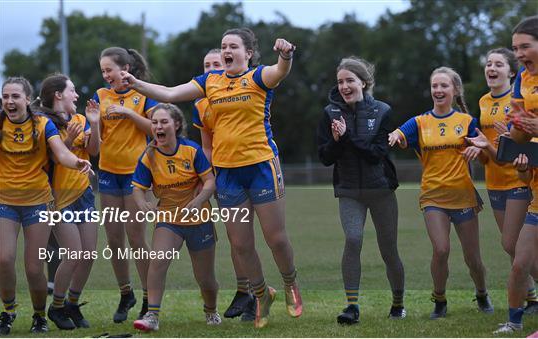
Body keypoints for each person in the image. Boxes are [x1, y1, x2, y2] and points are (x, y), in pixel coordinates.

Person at [120, 27, 302, 328]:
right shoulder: (210, 82)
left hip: (261, 167)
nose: (226, 50)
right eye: (223, 45)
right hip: (227, 173)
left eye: (232, 46)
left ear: (247, 52)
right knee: (241, 244)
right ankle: (261, 296)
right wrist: (136, 83)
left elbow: (281, 70)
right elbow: (169, 93)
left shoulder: (258, 77)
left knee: (275, 238)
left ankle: (290, 283)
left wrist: (285, 54)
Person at [388, 67, 493, 319]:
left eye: (443, 86)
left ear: (455, 90)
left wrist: (478, 151)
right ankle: (440, 299)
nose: (438, 90)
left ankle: (481, 292)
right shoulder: (420, 122)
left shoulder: (467, 122)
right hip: (433, 197)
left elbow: (485, 154)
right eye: (434, 85)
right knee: (441, 250)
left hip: (463, 196)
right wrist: (394, 136)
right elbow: (399, 133)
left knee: (473, 258)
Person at [0, 77, 92, 335]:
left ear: (27, 100)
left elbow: (60, 153)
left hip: (37, 202)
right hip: (4, 200)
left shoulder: (42, 124)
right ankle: (8, 311)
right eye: (5, 96)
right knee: (3, 259)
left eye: (15, 96)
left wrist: (77, 163)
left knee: (33, 267)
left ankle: (40, 314)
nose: (9, 101)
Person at [317, 57, 405, 324]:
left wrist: (346, 138)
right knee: (353, 239)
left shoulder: (382, 111)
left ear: (363, 82)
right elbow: (325, 157)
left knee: (388, 249)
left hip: (381, 191)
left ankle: (398, 304)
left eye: (350, 80)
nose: (344, 86)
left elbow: (376, 154)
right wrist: (335, 142)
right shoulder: (330, 113)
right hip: (349, 191)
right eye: (340, 81)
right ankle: (352, 306)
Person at [132, 103, 220, 331]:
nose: (158, 127)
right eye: (154, 122)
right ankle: (152, 315)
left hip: (199, 219)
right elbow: (137, 188)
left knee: (205, 278)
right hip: (168, 219)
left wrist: (198, 202)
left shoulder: (192, 150)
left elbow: (210, 181)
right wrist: (142, 204)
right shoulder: (148, 156)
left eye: (163, 122)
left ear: (176, 125)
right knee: (158, 262)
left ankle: (211, 311)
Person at [467, 48, 538, 314]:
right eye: (488, 64)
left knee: (513, 244)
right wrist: (480, 151)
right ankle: (531, 298)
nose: (491, 68)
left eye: (498, 64)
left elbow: (524, 141)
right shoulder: (484, 101)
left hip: (519, 177)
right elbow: (490, 151)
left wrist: (506, 145)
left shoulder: (519, 99)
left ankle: (527, 301)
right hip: (494, 181)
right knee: (511, 246)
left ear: (511, 71)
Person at [94, 47, 158, 323]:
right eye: (103, 71)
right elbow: (95, 145)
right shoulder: (100, 96)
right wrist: (94, 123)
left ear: (125, 69)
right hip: (108, 173)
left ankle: (148, 298)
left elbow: (156, 129)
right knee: (114, 239)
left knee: (136, 238)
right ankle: (126, 293)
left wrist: (130, 114)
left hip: (136, 175)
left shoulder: (143, 94)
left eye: (109, 69)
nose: (106, 75)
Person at [191, 48, 254, 321]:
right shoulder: (200, 104)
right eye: (206, 65)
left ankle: (254, 292)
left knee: (249, 238)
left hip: (251, 167)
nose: (211, 69)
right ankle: (247, 292)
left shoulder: (245, 89)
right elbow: (207, 147)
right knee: (235, 237)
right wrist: (207, 178)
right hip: (222, 173)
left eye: (215, 64)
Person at [33, 74, 100, 329]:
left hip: (84, 194)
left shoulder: (80, 119)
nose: (77, 95)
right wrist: (69, 140)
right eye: (72, 90)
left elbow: (93, 152)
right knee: (72, 254)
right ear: (58, 94)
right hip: (58, 199)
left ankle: (72, 303)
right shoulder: (43, 122)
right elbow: (52, 158)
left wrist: (94, 124)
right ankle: (57, 307)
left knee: (89, 254)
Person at [493, 15, 538, 334]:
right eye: (515, 48)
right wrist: (518, 129)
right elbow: (523, 135)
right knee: (521, 260)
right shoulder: (524, 78)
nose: (519, 54)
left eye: (526, 47)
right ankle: (514, 321)